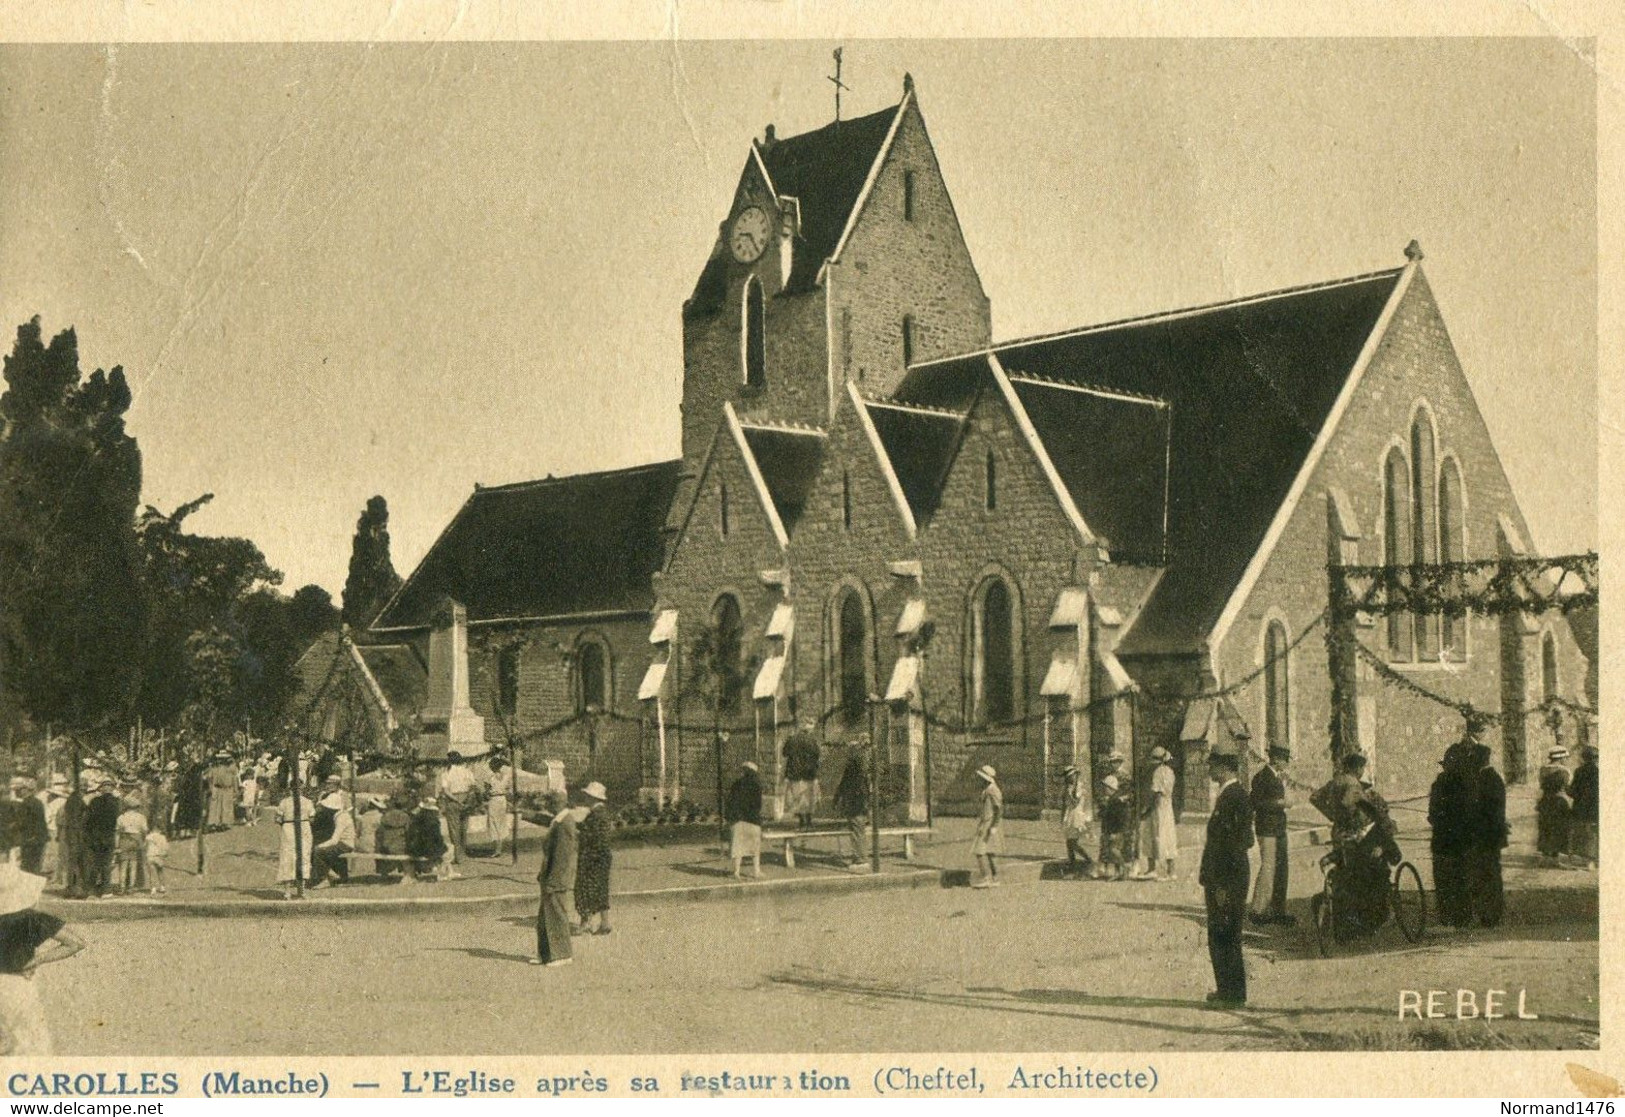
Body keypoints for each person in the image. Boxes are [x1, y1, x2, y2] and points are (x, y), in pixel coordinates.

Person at [0, 863, 85, 1054]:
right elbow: (76, 943)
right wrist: (37, 959)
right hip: (20, 987)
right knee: (31, 1046)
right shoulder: (31, 918)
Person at [1199, 751, 1252, 1008]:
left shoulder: (1236, 797)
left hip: (1227, 878)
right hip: (1223, 877)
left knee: (1226, 935)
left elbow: (1238, 842)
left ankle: (1232, 995)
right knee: (1220, 934)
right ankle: (1227, 991)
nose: (1208, 769)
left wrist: (1222, 885)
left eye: (1212, 765)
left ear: (1224, 768)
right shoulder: (1229, 795)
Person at [1428, 745, 1477, 928]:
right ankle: (1462, 917)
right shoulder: (1470, 784)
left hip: (1442, 839)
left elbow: (1432, 814)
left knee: (1443, 878)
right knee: (1462, 877)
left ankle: (1447, 916)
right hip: (1463, 839)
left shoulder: (1439, 784)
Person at [1249, 744, 1294, 925]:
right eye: (1284, 760)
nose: (1286, 764)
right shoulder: (1261, 777)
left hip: (1278, 829)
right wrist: (1280, 803)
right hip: (1267, 829)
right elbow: (1256, 803)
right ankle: (1258, 910)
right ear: (1276, 759)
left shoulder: (1278, 777)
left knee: (1282, 869)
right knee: (1268, 868)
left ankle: (1278, 910)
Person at [1465, 742, 1508, 928]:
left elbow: (1484, 811)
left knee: (1485, 874)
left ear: (1480, 760)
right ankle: (1491, 913)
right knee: (1490, 873)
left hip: (1485, 835)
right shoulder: (1493, 778)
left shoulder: (1485, 780)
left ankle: (1489, 914)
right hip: (1492, 835)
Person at [532, 790, 578, 967]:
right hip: (549, 874)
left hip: (557, 877)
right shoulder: (559, 820)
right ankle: (546, 954)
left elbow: (562, 856)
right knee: (545, 917)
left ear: (558, 803)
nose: (548, 807)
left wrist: (554, 879)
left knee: (557, 915)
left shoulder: (564, 823)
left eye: (550, 804)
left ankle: (562, 954)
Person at [1134, 747, 1178, 881]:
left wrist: (1147, 809)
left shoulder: (1159, 772)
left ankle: (1162, 871)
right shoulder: (1169, 771)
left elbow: (1157, 793)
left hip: (1159, 807)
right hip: (1167, 806)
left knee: (1158, 835)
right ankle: (1165, 871)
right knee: (1166, 836)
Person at [574, 782, 613, 935]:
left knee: (584, 888)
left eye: (587, 796)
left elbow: (592, 835)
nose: (585, 799)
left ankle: (585, 923)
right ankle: (604, 922)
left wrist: (579, 834)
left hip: (591, 856)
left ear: (592, 797)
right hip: (602, 856)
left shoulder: (595, 815)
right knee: (601, 888)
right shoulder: (601, 813)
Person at [438, 752, 477, 879]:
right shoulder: (467, 771)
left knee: (454, 829)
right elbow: (473, 787)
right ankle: (463, 854)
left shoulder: (446, 773)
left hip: (453, 801)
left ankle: (457, 856)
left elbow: (446, 791)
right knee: (463, 828)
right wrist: (466, 800)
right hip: (466, 798)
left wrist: (456, 799)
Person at [274, 786, 316, 901]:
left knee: (289, 857)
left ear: (290, 790)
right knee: (303, 857)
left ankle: (288, 892)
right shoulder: (308, 802)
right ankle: (301, 891)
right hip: (303, 827)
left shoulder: (284, 802)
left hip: (289, 828)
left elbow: (278, 818)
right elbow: (312, 819)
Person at [724, 760, 764, 880]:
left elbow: (730, 801)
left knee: (738, 847)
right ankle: (756, 871)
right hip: (753, 820)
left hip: (738, 819)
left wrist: (730, 817)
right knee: (755, 847)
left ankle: (736, 872)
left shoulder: (737, 784)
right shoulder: (757, 785)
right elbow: (758, 804)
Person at [310, 791, 356, 888]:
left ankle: (324, 878)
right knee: (322, 850)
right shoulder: (339, 816)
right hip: (342, 843)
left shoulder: (341, 818)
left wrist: (320, 846)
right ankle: (332, 875)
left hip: (345, 844)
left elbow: (334, 840)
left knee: (318, 851)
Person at [781, 718, 821, 829]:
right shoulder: (812, 741)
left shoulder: (792, 739)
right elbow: (817, 755)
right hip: (809, 774)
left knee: (798, 797)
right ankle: (808, 821)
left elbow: (784, 753)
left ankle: (802, 821)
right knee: (808, 798)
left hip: (795, 774)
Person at [1536, 748, 1573, 866]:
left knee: (1545, 828)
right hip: (1559, 802)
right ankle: (1555, 859)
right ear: (1561, 758)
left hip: (1545, 801)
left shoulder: (1543, 769)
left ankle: (1545, 857)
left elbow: (1541, 784)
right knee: (1558, 829)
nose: (1566, 760)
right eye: (1565, 758)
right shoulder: (1565, 771)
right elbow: (1568, 787)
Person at [832, 750, 869, 868]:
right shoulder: (862, 776)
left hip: (855, 808)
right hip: (860, 808)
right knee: (859, 832)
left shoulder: (852, 777)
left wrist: (837, 801)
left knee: (857, 833)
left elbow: (842, 788)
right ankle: (860, 858)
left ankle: (860, 860)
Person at [84, 779, 120, 898]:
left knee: (93, 863)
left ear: (101, 789)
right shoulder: (116, 802)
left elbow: (87, 820)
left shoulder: (94, 801)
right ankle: (105, 890)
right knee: (106, 863)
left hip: (94, 836)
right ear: (112, 789)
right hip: (108, 836)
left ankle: (91, 890)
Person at [6, 779, 48, 876]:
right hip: (39, 838)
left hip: (29, 838)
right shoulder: (38, 802)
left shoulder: (25, 804)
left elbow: (22, 822)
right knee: (35, 865)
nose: (17, 792)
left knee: (27, 866)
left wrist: (10, 827)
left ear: (26, 790)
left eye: (19, 790)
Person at [971, 765, 1004, 888]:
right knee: (990, 852)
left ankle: (986, 877)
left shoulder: (992, 790)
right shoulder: (987, 789)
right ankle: (995, 878)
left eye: (981, 778)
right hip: (986, 822)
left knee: (979, 851)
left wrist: (994, 826)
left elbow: (999, 809)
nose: (979, 780)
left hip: (989, 824)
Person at [1060, 765, 1095, 878]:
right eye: (1068, 776)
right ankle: (1073, 862)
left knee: (1073, 842)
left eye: (1071, 775)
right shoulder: (1068, 787)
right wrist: (1062, 817)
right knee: (1069, 842)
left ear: (1075, 775)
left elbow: (1075, 801)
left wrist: (1069, 792)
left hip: (1077, 816)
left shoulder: (1079, 787)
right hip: (1070, 816)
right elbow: (1064, 805)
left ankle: (1088, 859)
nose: (1070, 778)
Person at [1569, 744, 1598, 870]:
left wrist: (1567, 790)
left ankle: (1585, 858)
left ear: (1583, 758)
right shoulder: (1599, 771)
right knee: (1594, 832)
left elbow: (1573, 792)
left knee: (1582, 832)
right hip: (1596, 806)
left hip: (1581, 807)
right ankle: (1592, 860)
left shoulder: (1579, 771)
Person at [1097, 775, 1131, 880]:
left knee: (1114, 850)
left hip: (1117, 830)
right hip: (1114, 830)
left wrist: (1116, 832)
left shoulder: (1116, 801)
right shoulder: (1113, 799)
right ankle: (1117, 873)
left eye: (1106, 787)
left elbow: (1119, 817)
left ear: (1110, 787)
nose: (1104, 790)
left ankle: (1124, 868)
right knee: (1114, 851)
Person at [407, 796, 449, 880]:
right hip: (429, 848)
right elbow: (437, 838)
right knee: (447, 849)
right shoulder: (434, 821)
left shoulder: (417, 819)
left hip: (417, 847)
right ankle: (442, 873)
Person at [114, 800, 147, 895]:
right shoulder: (141, 817)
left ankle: (122, 887)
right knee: (133, 865)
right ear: (136, 807)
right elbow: (144, 830)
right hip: (136, 839)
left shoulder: (121, 817)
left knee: (123, 865)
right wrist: (143, 841)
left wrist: (117, 846)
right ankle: (131, 887)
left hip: (124, 839)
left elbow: (117, 832)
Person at [377, 794, 412, 880]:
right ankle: (408, 874)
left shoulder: (386, 816)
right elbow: (409, 832)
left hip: (387, 846)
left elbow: (380, 832)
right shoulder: (405, 816)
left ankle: (384, 873)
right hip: (400, 847)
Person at [206, 752, 237, 831]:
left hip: (227, 788)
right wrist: (211, 788)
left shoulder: (231, 768)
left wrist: (235, 790)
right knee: (215, 806)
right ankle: (213, 823)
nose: (222, 761)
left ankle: (225, 823)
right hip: (217, 788)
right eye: (220, 759)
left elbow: (234, 779)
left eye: (224, 759)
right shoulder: (214, 768)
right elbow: (209, 778)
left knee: (226, 806)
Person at [144, 823, 168, 895]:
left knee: (151, 873)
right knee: (160, 872)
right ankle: (162, 886)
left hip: (150, 856)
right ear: (159, 830)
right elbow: (165, 847)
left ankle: (153, 888)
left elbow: (145, 846)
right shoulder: (162, 837)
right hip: (159, 856)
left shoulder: (148, 837)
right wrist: (165, 854)